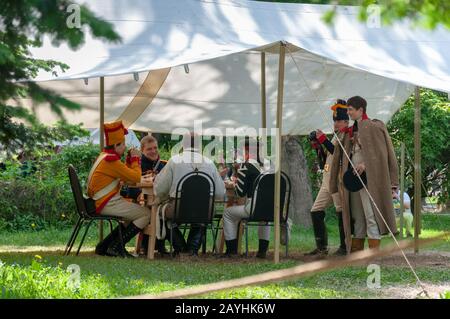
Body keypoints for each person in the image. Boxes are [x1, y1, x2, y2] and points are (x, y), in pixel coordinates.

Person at [330, 96, 399, 252]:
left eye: (350, 110)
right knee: (357, 213)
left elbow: (381, 154)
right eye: (347, 109)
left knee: (369, 213)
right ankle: (357, 249)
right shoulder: (350, 131)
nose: (348, 113)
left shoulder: (373, 126)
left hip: (369, 177)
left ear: (361, 110)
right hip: (353, 176)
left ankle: (373, 250)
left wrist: (366, 164)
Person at [153, 133, 226, 256]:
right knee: (200, 219)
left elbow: (160, 189)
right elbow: (220, 193)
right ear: (200, 145)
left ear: (182, 144)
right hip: (205, 210)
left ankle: (181, 248)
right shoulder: (209, 163)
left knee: (158, 213)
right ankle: (192, 250)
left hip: (178, 208)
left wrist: (164, 198)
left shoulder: (174, 161)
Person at [88, 120, 150, 257]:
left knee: (130, 217)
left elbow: (124, 176)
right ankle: (116, 247)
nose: (125, 147)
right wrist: (135, 159)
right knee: (146, 214)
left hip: (101, 201)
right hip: (106, 202)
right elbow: (136, 177)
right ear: (117, 145)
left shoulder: (105, 157)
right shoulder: (111, 161)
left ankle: (104, 246)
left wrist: (129, 161)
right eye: (123, 144)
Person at [305, 99, 349, 257]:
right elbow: (327, 160)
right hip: (327, 179)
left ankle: (344, 247)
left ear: (346, 121)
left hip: (337, 181)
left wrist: (323, 139)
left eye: (338, 120)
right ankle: (322, 247)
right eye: (334, 120)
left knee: (340, 211)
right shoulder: (336, 136)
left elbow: (340, 154)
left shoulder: (347, 135)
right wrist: (318, 146)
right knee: (315, 211)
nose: (336, 123)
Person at [222, 137, 270, 258]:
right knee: (264, 218)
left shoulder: (245, 166)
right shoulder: (271, 165)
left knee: (227, 213)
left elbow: (240, 193)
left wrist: (235, 183)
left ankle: (231, 251)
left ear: (247, 151)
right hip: (272, 207)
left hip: (252, 207)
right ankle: (262, 251)